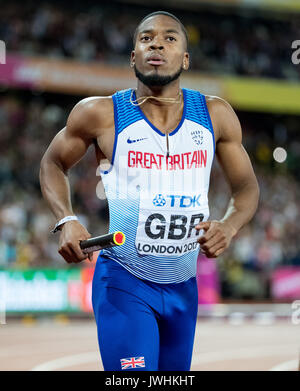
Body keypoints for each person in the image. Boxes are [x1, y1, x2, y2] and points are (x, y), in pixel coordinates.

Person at [39, 11, 259, 371]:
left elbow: (247, 187)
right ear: (133, 56)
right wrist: (66, 218)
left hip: (183, 288)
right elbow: (52, 163)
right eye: (146, 38)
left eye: (170, 38)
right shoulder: (101, 114)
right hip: (124, 280)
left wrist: (229, 226)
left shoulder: (215, 115)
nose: (157, 43)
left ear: (186, 59)